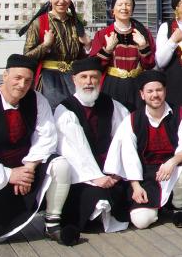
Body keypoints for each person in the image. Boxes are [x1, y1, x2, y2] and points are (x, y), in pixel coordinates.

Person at [0, 54, 77, 245]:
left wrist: (28, 169)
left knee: (60, 165)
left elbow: (46, 136)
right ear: (5, 76)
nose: (22, 85)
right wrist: (10, 174)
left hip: (26, 167)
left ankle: (52, 224)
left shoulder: (37, 99)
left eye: (27, 80)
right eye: (17, 78)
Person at [103, 71, 182, 229]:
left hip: (173, 169)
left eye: (159, 90)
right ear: (142, 94)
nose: (155, 95)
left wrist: (172, 161)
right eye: (150, 91)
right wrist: (136, 186)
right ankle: (159, 207)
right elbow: (128, 156)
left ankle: (179, 207)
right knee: (141, 221)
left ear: (165, 91)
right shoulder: (132, 120)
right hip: (146, 175)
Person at [52, 57, 131, 234]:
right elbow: (75, 151)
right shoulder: (65, 110)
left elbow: (123, 139)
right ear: (74, 79)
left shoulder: (112, 104)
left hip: (110, 169)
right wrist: (96, 177)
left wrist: (116, 171)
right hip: (82, 174)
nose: (89, 82)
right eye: (84, 77)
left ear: (100, 78)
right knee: (95, 196)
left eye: (94, 77)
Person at [21, 0, 89, 108]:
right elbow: (26, 57)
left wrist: (87, 46)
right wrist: (45, 45)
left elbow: (81, 57)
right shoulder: (39, 23)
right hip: (49, 82)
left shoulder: (76, 23)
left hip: (73, 80)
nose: (61, 1)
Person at [89, 0, 156, 111]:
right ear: (113, 11)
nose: (124, 8)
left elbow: (150, 64)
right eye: (120, 4)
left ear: (132, 10)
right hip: (112, 84)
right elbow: (94, 65)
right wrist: (108, 49)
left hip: (136, 85)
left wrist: (143, 46)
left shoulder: (143, 33)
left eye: (128, 4)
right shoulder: (102, 34)